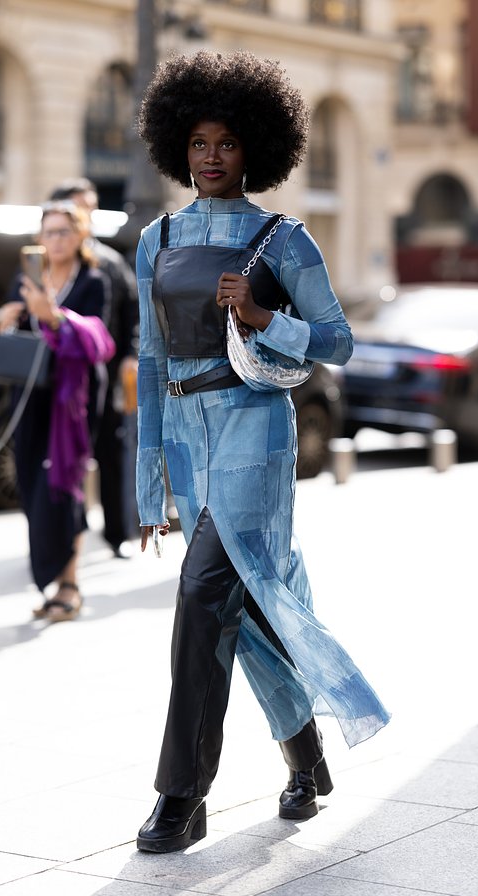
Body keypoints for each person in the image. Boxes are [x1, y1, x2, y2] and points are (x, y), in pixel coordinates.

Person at [134, 50, 390, 854]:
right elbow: (148, 361)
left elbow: (340, 342)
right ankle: (307, 755)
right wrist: (150, 485)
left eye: (228, 143)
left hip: (256, 434)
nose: (211, 157)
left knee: (202, 597)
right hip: (185, 434)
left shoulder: (284, 238)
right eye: (199, 142)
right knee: (252, 615)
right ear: (180, 145)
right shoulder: (159, 236)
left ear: (256, 151)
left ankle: (181, 795)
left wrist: (263, 318)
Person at [0, 201, 115, 620]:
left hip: (73, 398)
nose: (56, 239)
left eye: (64, 231)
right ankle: (49, 579)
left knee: (64, 481)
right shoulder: (26, 280)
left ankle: (69, 583)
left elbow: (98, 341)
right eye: (49, 232)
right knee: (30, 482)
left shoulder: (94, 281)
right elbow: (13, 337)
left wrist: (55, 318)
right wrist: (8, 321)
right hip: (31, 393)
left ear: (80, 235)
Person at [48, 178, 140, 557]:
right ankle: (66, 534)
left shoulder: (109, 261)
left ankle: (117, 534)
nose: (86, 213)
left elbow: (132, 314)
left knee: (111, 453)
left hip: (104, 377)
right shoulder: (47, 261)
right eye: (78, 205)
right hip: (61, 380)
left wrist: (131, 357)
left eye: (90, 205)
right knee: (62, 458)